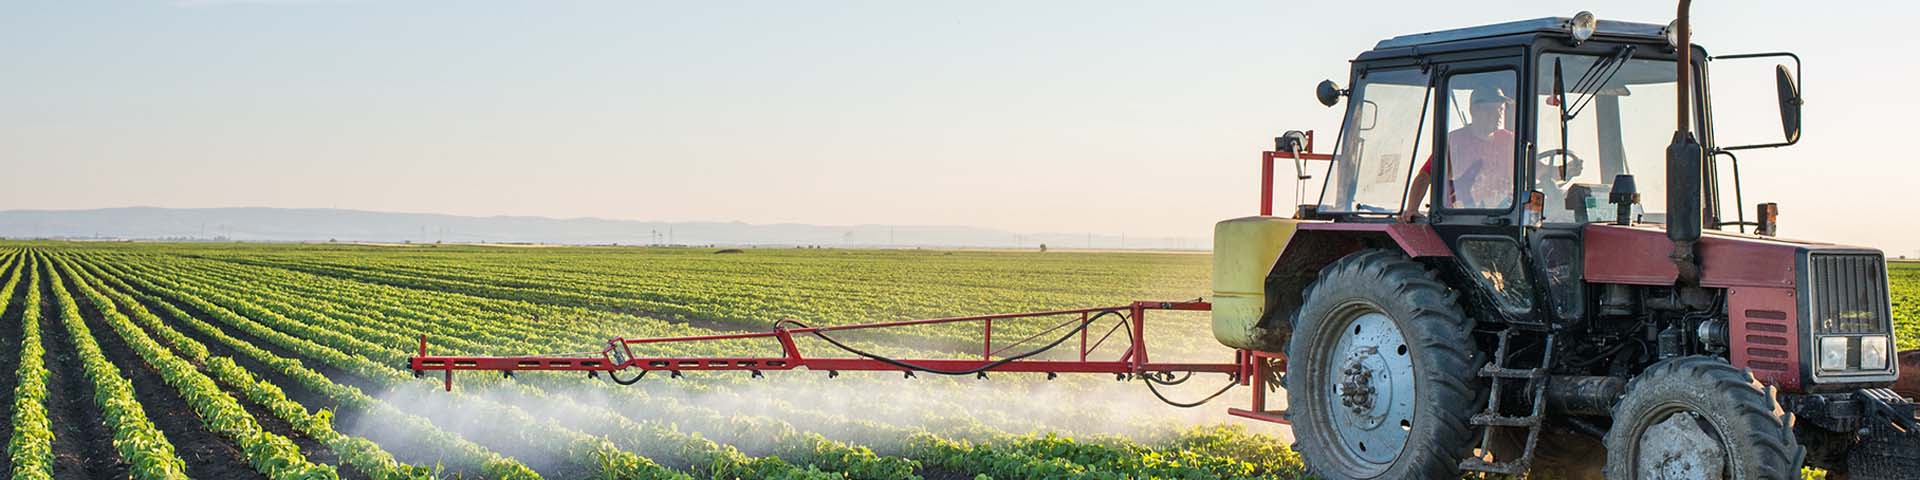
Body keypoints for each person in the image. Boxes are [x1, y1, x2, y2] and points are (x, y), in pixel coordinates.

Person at [1398, 84, 1515, 222]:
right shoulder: (1455, 141)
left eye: (1501, 109)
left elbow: (1534, 169)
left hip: (1503, 218)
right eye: (1492, 110)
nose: (1499, 115)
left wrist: (1546, 172)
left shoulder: (1510, 140)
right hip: (1460, 220)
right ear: (1474, 110)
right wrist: (1412, 208)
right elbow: (1425, 175)